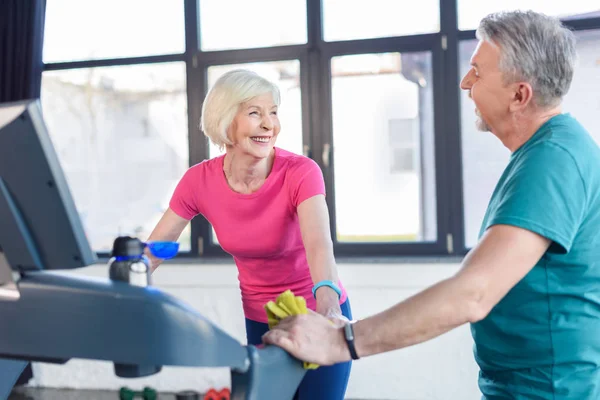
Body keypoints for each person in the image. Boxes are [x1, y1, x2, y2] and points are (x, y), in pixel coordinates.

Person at [263, 10, 600, 399]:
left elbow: (473, 292)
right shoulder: (548, 152)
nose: (464, 82)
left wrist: (342, 341)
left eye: (477, 71)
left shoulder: (553, 160)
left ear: (519, 95)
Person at [146, 69, 352, 400]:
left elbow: (318, 245)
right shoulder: (198, 182)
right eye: (255, 113)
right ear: (226, 121)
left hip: (318, 314)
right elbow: (156, 249)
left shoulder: (300, 172)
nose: (270, 124)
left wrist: (328, 307)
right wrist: (124, 282)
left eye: (273, 112)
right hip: (260, 320)